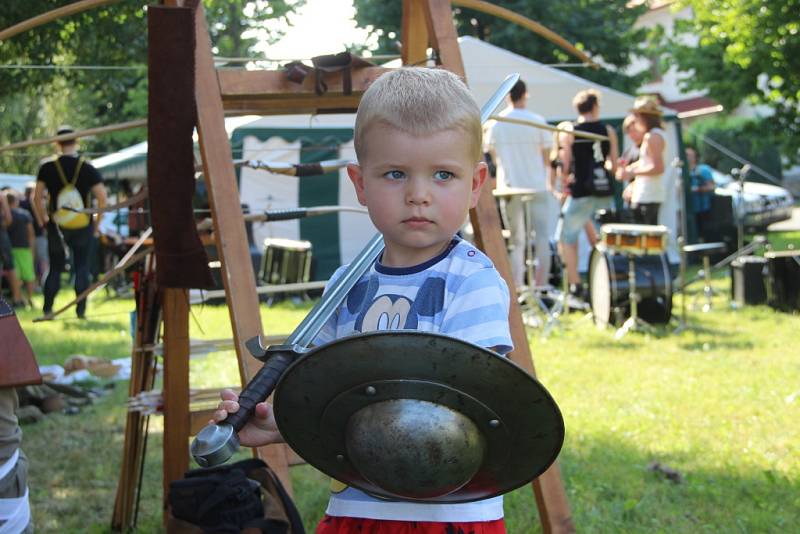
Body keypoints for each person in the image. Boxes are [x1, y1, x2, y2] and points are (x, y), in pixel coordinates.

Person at [214, 67, 513, 533]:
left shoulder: (470, 281)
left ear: (475, 184)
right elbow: (332, 396)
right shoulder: (345, 284)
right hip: (358, 507)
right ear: (359, 182)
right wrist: (283, 423)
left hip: (447, 511)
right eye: (395, 174)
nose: (418, 195)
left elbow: (476, 403)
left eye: (443, 175)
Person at [32, 126, 107, 318]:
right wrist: (96, 224)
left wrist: (43, 220)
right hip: (83, 225)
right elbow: (102, 198)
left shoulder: (47, 167)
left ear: (57, 143)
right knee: (82, 267)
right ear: (77, 142)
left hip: (56, 225)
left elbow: (37, 197)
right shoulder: (87, 167)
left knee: (55, 268)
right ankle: (80, 312)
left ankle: (48, 309)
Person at [485, 79, 555, 288]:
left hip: (510, 186)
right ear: (525, 94)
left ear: (508, 96)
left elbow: (494, 157)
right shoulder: (536, 120)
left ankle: (517, 285)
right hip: (536, 185)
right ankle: (540, 285)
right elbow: (547, 156)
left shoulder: (496, 123)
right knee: (542, 237)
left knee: (517, 240)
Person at [555, 89, 618, 298]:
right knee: (607, 239)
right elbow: (614, 165)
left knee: (566, 238)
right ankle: (611, 280)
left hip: (580, 191)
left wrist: (563, 179)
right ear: (595, 106)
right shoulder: (607, 130)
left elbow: (564, 165)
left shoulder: (571, 131)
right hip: (603, 192)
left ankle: (576, 285)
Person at [616, 97, 666, 225]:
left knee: (643, 240)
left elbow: (658, 168)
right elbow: (648, 162)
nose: (635, 119)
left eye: (636, 115)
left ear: (644, 116)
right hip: (646, 194)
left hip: (648, 195)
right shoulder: (654, 135)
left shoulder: (653, 136)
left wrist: (632, 173)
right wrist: (630, 168)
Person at [6, 192, 36, 307]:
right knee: (29, 276)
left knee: (15, 276)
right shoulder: (24, 214)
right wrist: (32, 249)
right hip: (24, 249)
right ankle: (29, 299)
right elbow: (31, 233)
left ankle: (17, 298)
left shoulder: (5, 215)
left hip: (10, 249)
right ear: (16, 201)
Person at [20, 183, 48, 285]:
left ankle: (38, 283)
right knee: (42, 260)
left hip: (28, 237)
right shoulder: (35, 203)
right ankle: (41, 283)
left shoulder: (21, 203)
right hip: (36, 236)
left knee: (35, 261)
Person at [685, 146, 716, 239]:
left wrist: (696, 189)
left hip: (702, 210)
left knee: (703, 234)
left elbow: (711, 186)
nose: (686, 157)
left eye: (689, 155)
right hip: (686, 211)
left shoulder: (703, 170)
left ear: (695, 157)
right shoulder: (681, 171)